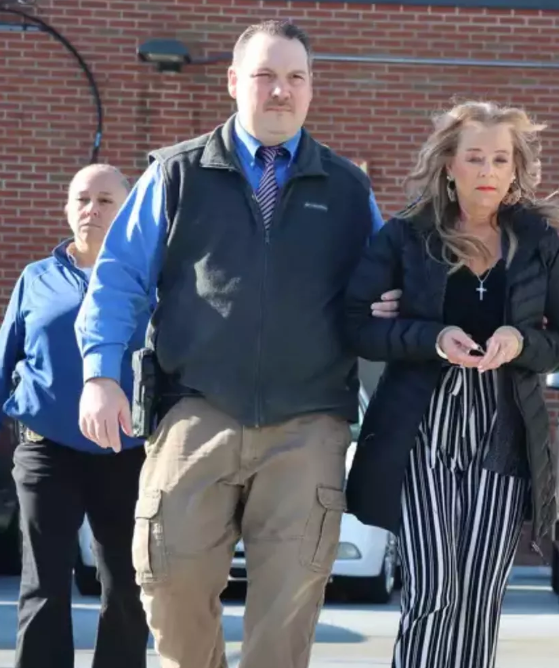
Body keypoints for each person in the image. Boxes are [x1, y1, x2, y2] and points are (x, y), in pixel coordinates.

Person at [74, 20, 394, 668]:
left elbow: (381, 291)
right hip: (197, 410)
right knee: (167, 582)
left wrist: (392, 302)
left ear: (311, 88)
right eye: (265, 76)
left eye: (295, 78)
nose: (281, 91)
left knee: (287, 612)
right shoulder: (177, 174)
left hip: (310, 423)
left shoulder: (349, 191)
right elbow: (119, 279)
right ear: (233, 82)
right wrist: (100, 374)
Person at [342, 100, 559, 668]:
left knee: (479, 601)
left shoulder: (538, 242)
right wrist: (431, 335)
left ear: (515, 168)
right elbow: (356, 327)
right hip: (423, 436)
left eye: (500, 159)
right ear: (449, 164)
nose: (487, 171)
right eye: (474, 157)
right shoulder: (405, 236)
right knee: (434, 591)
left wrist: (521, 343)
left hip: (503, 438)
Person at [0, 163, 150, 668]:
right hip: (47, 452)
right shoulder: (36, 279)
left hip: (127, 453)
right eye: (82, 199)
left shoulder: (150, 280)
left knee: (126, 586)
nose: (92, 210)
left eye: (106, 200)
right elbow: (7, 358)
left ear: (128, 210)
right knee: (43, 584)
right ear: (67, 209)